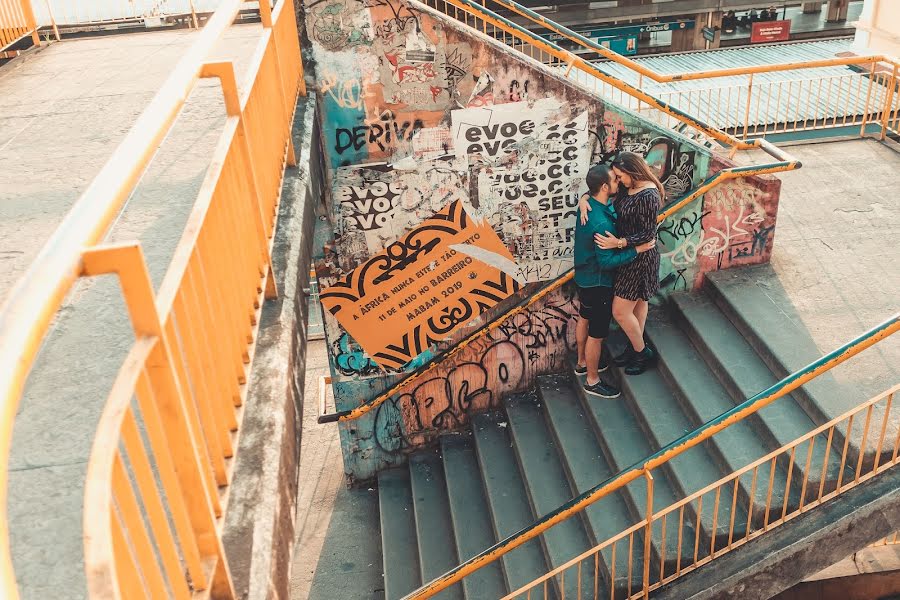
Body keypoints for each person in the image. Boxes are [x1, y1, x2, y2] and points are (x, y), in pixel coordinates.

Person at [574, 165, 656, 398]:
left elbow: (591, 194)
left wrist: (583, 197)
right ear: (604, 187)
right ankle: (592, 380)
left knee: (584, 318)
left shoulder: (590, 206)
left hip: (584, 277)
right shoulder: (601, 222)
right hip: (598, 282)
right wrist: (636, 250)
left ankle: (582, 363)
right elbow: (607, 262)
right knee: (597, 335)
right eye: (614, 179)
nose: (617, 182)